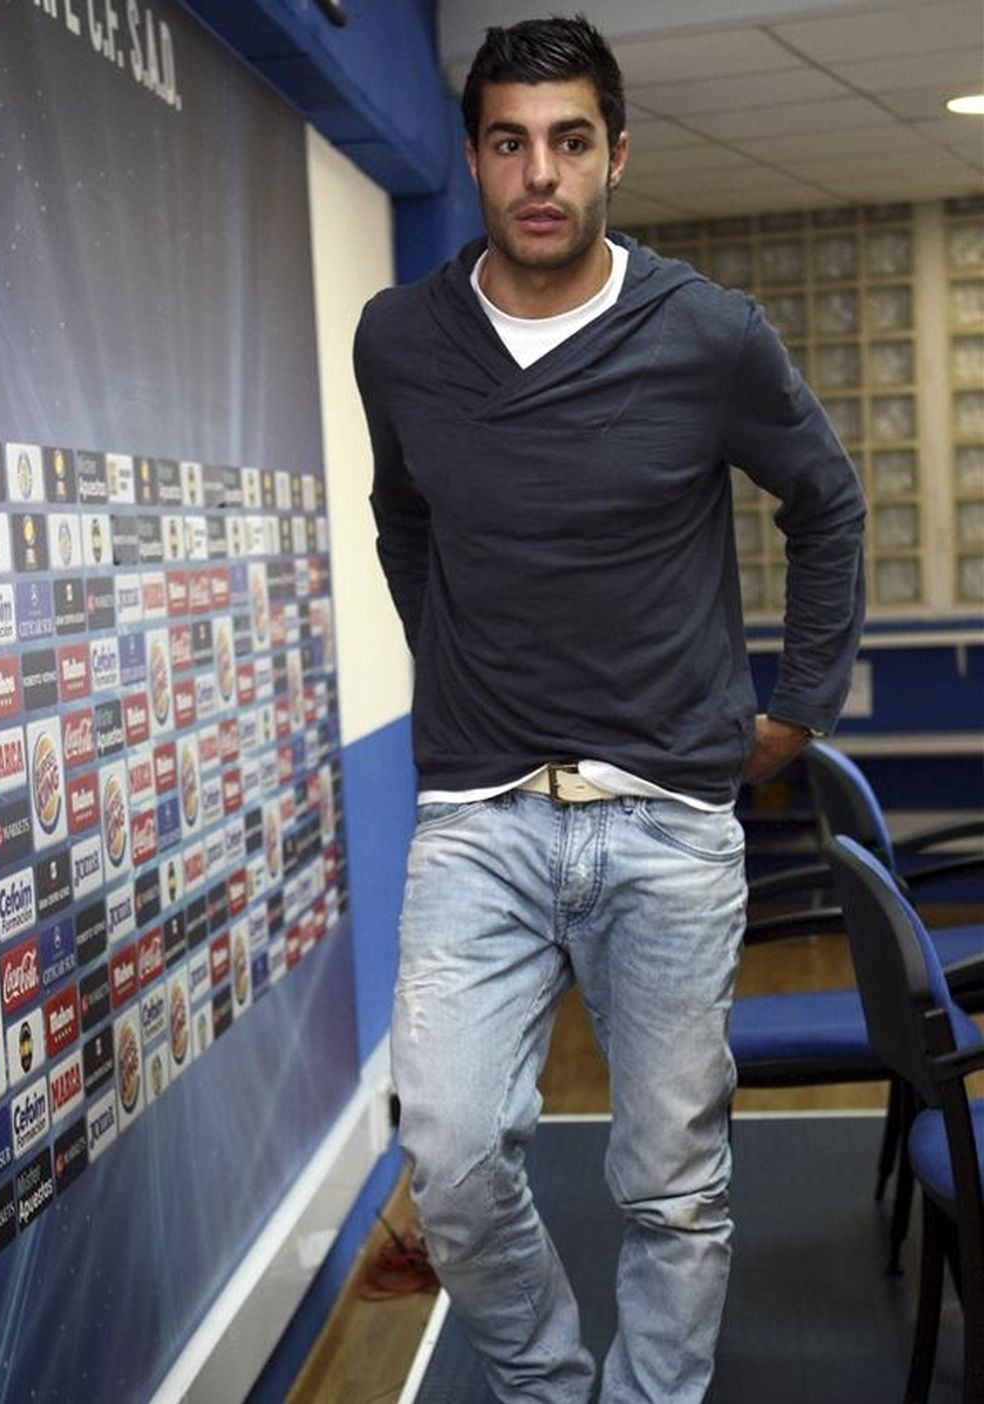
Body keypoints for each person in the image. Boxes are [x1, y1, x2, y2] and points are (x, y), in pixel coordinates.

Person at [353, 14, 865, 1404]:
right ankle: (546, 1388)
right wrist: (449, 655)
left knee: (672, 1187)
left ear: (615, 156)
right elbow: (405, 519)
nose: (540, 173)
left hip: (669, 830)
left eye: (569, 141)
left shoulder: (706, 334)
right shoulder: (399, 339)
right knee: (450, 1154)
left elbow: (825, 503)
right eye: (510, 142)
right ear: (471, 160)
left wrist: (800, 707)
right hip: (478, 819)